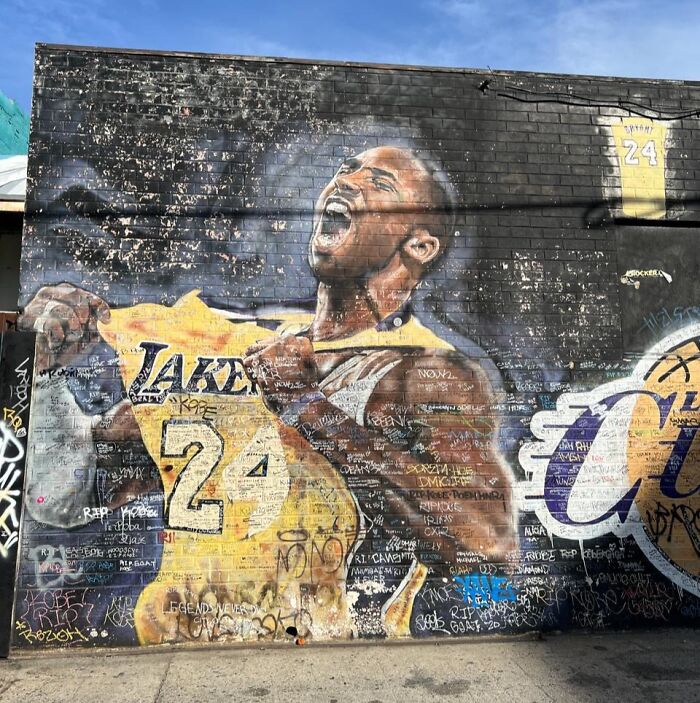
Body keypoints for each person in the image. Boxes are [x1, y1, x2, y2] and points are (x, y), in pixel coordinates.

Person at [20, 146, 517, 642]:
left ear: (420, 247)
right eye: (346, 168)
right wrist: (45, 371)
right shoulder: (230, 342)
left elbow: (487, 543)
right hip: (185, 658)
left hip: (334, 670)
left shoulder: (425, 369)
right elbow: (68, 492)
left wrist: (307, 405)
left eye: (380, 184)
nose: (347, 181)